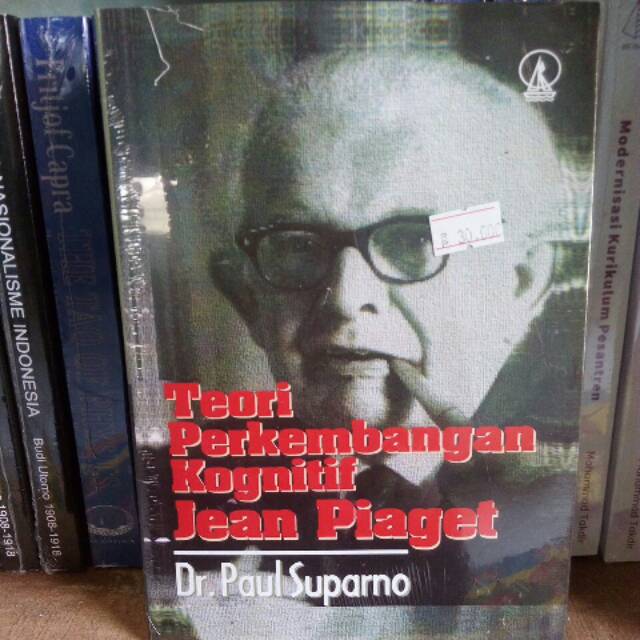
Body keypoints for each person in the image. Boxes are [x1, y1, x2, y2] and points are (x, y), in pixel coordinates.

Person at [197, 48, 578, 623]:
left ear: (520, 283)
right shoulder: (187, 496)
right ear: (248, 298)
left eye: (413, 240)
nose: (346, 298)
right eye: (298, 245)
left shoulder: (565, 499)